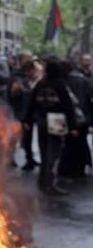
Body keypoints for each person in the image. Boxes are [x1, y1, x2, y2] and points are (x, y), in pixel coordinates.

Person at [27, 59, 78, 195]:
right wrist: (73, 126)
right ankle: (50, 184)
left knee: (44, 152)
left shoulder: (40, 84)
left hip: (42, 120)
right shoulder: (60, 84)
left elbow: (31, 103)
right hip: (57, 119)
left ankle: (42, 181)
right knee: (54, 153)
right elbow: (68, 106)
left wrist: (28, 120)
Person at [58, 61, 92, 179]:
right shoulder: (85, 81)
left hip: (68, 117)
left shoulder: (62, 82)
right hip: (84, 117)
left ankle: (68, 169)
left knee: (69, 143)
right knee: (81, 142)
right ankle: (80, 168)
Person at [8, 60, 41, 171]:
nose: (28, 74)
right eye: (26, 72)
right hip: (24, 114)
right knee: (26, 138)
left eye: (30, 71)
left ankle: (32, 159)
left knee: (38, 138)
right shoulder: (23, 82)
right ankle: (29, 159)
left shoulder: (39, 82)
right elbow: (14, 96)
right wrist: (16, 90)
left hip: (37, 114)